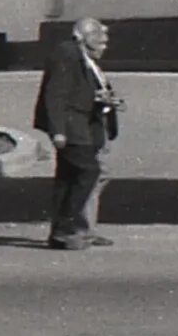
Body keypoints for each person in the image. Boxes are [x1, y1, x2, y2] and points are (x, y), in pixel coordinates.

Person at [33, 16, 121, 250]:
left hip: (83, 126)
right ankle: (67, 228)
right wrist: (58, 130)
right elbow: (56, 94)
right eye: (100, 42)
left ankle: (61, 233)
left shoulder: (83, 57)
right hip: (72, 128)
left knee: (68, 177)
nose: (104, 47)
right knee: (87, 171)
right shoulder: (67, 53)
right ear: (86, 37)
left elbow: (80, 89)